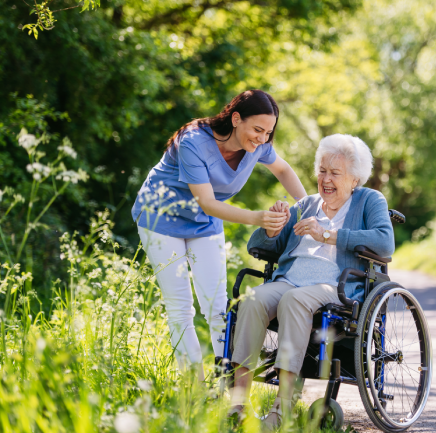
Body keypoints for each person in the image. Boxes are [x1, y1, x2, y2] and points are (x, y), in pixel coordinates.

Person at [131, 90, 307, 381]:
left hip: (203, 224)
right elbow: (208, 202)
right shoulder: (193, 142)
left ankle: (228, 383)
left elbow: (284, 170)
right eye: (257, 130)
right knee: (180, 306)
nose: (262, 138)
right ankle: (195, 387)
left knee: (217, 305)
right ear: (236, 119)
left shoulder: (259, 146)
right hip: (160, 218)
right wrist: (256, 218)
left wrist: (310, 208)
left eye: (268, 132)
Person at [229, 133, 395, 427]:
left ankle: (282, 407)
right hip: (289, 279)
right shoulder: (306, 205)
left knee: (294, 300)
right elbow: (261, 247)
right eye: (322, 171)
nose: (326, 179)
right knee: (252, 300)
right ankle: (237, 404)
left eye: (335, 173)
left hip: (335, 285)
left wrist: (328, 235)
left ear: (354, 179)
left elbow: (384, 243)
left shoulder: (369, 200)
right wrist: (273, 227)